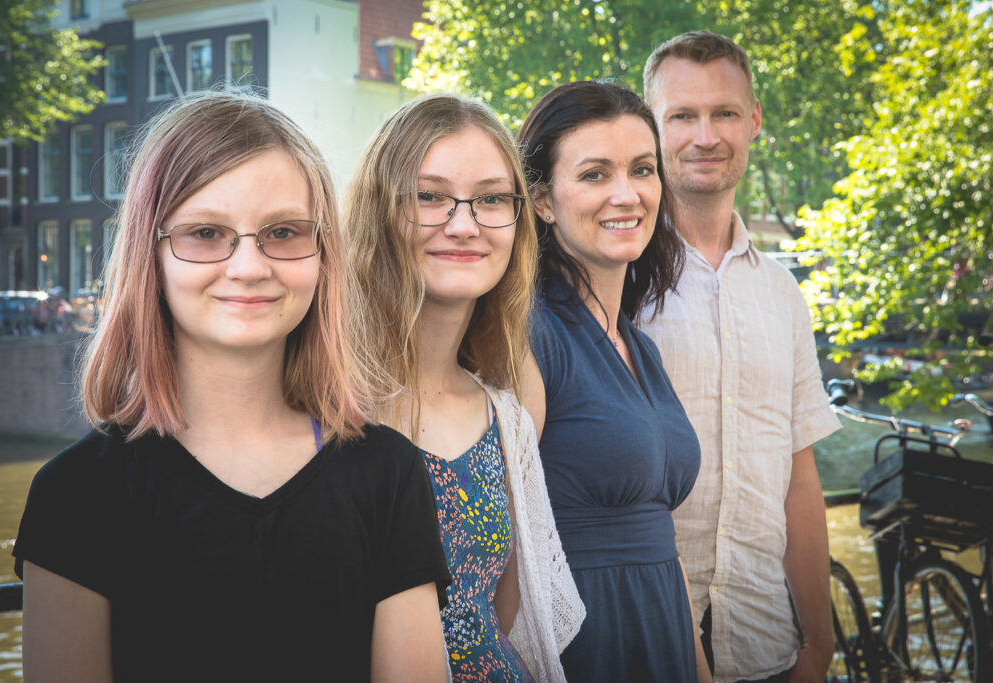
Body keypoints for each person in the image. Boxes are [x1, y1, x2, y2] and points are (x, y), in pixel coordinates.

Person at [12, 91, 450, 683]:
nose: (248, 267)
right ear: (151, 254)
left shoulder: (388, 474)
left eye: (285, 232)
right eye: (205, 234)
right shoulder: (77, 495)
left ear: (324, 257)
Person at [344, 93, 585, 683]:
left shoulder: (504, 416)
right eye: (429, 197)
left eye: (491, 199)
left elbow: (503, 618)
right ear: (380, 211)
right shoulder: (325, 400)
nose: (463, 224)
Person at [638, 31, 842, 683]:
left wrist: (819, 639)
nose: (706, 136)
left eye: (724, 112)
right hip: (648, 641)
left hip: (767, 644)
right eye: (683, 116)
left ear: (753, 121)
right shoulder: (617, 279)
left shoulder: (782, 292)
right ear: (652, 127)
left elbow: (799, 475)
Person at [517, 81, 711, 682]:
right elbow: (500, 548)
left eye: (642, 170)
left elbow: (661, 538)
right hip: (588, 650)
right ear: (544, 200)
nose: (626, 194)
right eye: (596, 174)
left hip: (668, 642)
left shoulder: (641, 348)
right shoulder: (530, 335)